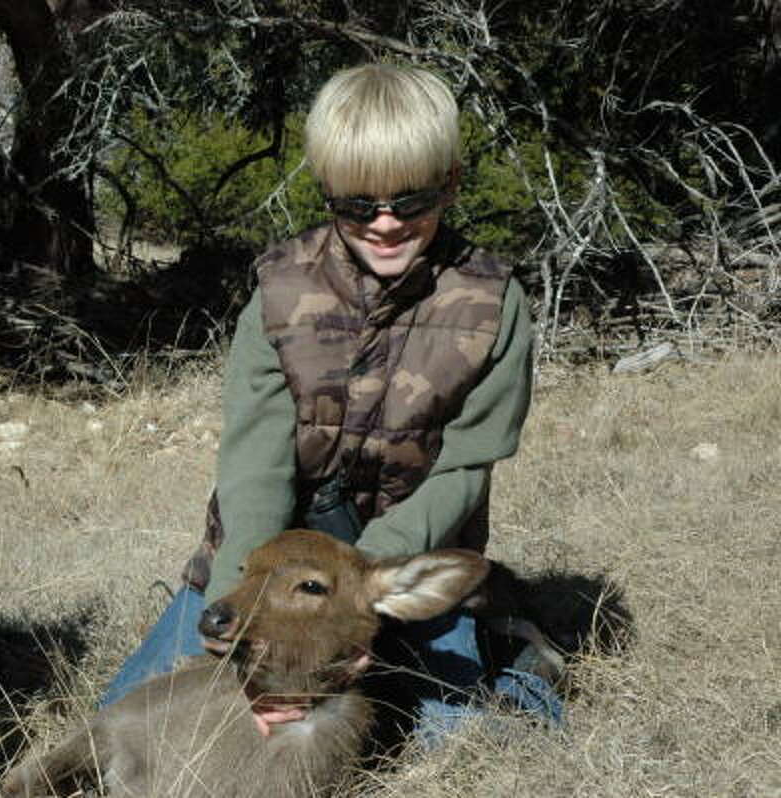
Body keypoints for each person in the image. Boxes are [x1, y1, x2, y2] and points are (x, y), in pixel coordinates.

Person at [101, 62, 560, 740]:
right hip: (268, 564)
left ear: (452, 183)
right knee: (135, 722)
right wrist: (244, 612)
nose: (384, 225)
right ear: (325, 190)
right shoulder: (280, 290)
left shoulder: (495, 301)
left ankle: (515, 653)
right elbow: (254, 466)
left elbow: (465, 467)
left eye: (411, 202)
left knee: (455, 737)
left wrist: (360, 598)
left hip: (399, 568)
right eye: (355, 205)